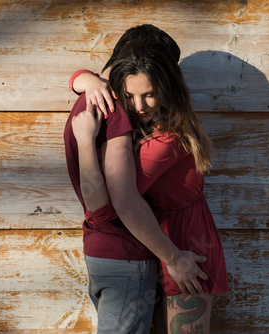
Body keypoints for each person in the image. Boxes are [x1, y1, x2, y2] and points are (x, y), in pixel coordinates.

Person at [71, 39, 229, 334]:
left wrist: (85, 141)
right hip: (159, 239)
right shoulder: (157, 123)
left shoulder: (166, 140)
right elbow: (80, 78)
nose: (139, 106)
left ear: (166, 89)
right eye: (129, 95)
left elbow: (117, 198)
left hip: (185, 244)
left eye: (149, 95)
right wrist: (86, 79)